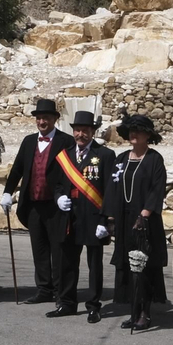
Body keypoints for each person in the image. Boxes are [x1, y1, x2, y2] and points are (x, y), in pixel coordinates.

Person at [0, 98, 76, 307]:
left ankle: (61, 292)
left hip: (55, 205)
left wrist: (64, 196)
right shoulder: (28, 141)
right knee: (39, 249)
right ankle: (44, 289)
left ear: (54, 119)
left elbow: (72, 173)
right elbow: (17, 169)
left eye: (46, 118)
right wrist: (7, 192)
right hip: (33, 204)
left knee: (58, 250)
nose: (42, 121)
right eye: (39, 118)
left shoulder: (66, 141)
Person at [106, 114, 168, 331]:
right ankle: (133, 311)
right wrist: (111, 217)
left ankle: (145, 313)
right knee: (128, 266)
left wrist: (144, 214)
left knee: (144, 267)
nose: (134, 134)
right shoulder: (121, 159)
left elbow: (156, 189)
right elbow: (112, 190)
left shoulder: (154, 159)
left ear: (148, 135)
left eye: (139, 131)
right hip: (124, 221)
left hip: (145, 222)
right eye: (131, 131)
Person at [53, 111, 116, 322]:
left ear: (93, 132)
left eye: (86, 131)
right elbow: (58, 185)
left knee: (94, 266)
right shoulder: (65, 155)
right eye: (78, 130)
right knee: (67, 262)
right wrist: (59, 197)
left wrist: (105, 220)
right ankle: (67, 303)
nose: (81, 134)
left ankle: (93, 306)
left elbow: (109, 190)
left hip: (93, 217)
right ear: (73, 131)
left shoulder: (105, 155)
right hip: (70, 217)